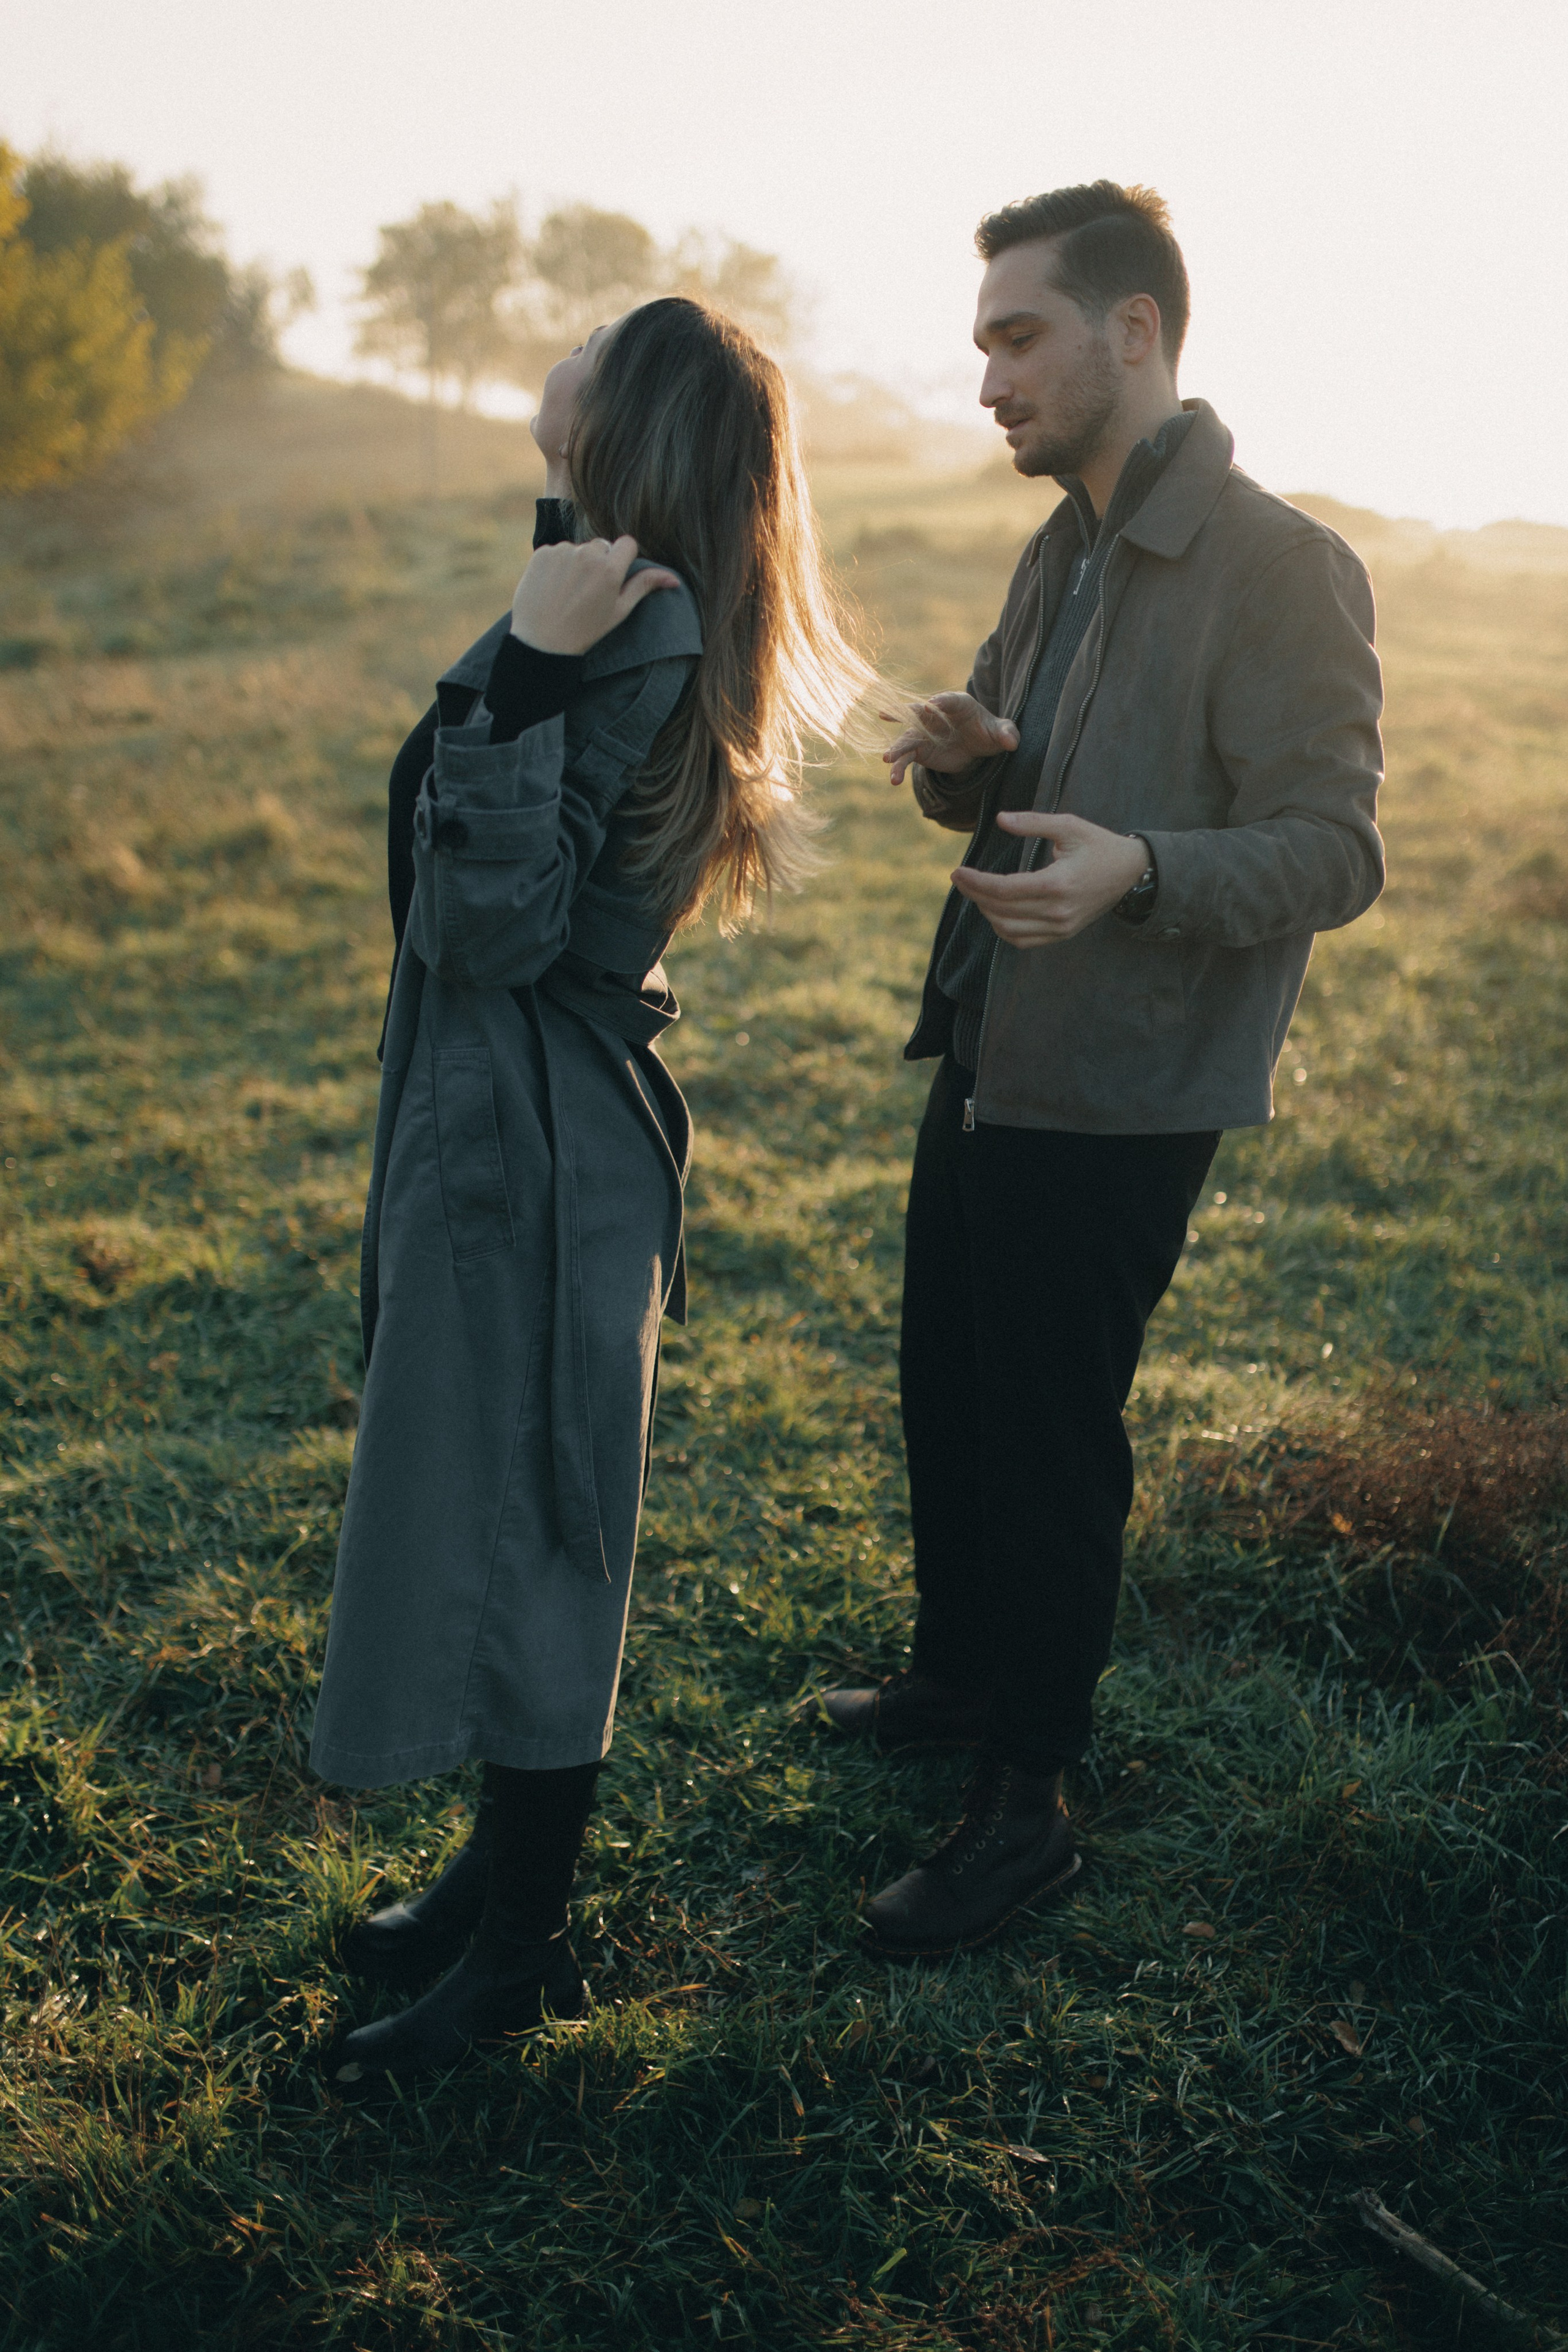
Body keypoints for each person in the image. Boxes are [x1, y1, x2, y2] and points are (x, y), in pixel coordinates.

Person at [311, 297, 873, 2084]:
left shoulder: (625, 627)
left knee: (535, 1534)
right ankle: (500, 1872)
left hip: (538, 1142)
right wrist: (532, 635)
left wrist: (533, 672)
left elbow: (492, 923)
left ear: (631, 421)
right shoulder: (598, 581)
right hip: (500, 1117)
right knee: (502, 1504)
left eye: (588, 350)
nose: (548, 362)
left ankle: (520, 1966)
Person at [820, 182, 1385, 1957]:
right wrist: (963, 765)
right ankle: (963, 1684)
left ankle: (1026, 1809)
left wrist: (1138, 867)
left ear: (1132, 334)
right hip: (991, 1036)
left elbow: (1334, 850)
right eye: (980, 342)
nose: (986, 378)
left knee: (1052, 1435)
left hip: (1129, 1082)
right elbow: (1013, 785)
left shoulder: (1286, 568)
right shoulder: (1055, 544)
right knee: (954, 1388)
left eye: (1017, 338)